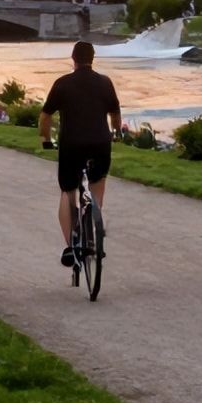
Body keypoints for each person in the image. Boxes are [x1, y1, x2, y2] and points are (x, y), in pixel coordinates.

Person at [39, 41, 121, 267]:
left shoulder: (63, 83)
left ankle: (71, 247)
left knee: (68, 191)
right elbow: (115, 113)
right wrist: (116, 133)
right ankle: (94, 220)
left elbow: (45, 116)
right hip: (100, 143)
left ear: (72, 59)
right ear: (93, 58)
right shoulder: (105, 82)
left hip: (71, 144)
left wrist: (46, 140)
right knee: (98, 181)